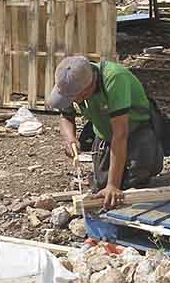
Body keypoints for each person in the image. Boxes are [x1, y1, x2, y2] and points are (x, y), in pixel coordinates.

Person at [47, 55, 164, 209]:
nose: (74, 102)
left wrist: (113, 185)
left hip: (136, 131)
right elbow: (66, 116)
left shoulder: (115, 79)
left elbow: (120, 134)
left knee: (133, 182)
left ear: (87, 89)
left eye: (76, 98)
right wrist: (70, 139)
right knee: (101, 188)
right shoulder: (70, 82)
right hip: (105, 134)